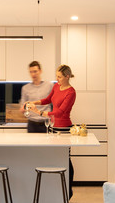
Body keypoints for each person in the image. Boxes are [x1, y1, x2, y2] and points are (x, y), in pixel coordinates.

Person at [27, 64, 77, 195]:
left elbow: (60, 112)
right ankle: (57, 190)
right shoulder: (56, 86)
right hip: (53, 128)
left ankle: (68, 191)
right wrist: (34, 102)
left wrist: (38, 112)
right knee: (56, 158)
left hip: (65, 129)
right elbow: (48, 100)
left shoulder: (71, 92)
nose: (57, 79)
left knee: (65, 159)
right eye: (56, 76)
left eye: (59, 77)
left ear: (67, 76)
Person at [19, 61, 52, 133]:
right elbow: (23, 106)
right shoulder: (25, 88)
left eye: (35, 71)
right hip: (32, 123)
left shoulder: (49, 85)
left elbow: (55, 103)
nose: (33, 74)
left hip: (46, 123)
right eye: (31, 72)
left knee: (47, 141)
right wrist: (23, 108)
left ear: (40, 71)